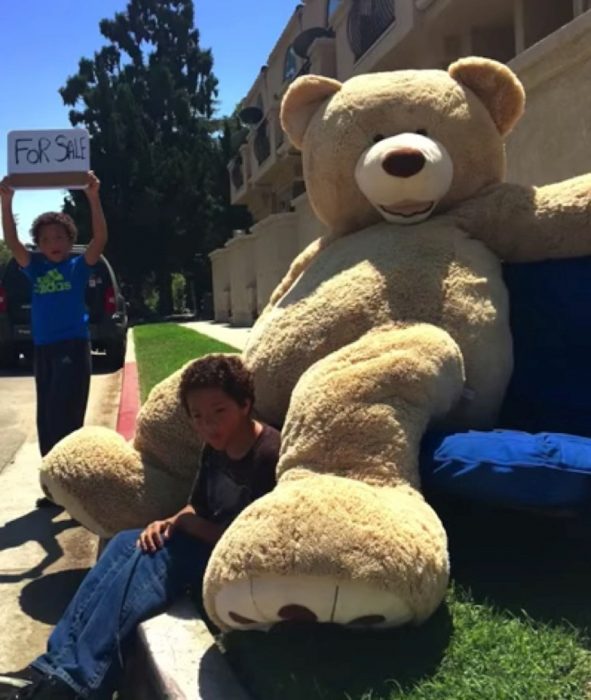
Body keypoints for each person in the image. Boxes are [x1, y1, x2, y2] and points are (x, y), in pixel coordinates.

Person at [0, 354, 281, 700]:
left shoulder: (268, 454)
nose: (209, 425)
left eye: (219, 411)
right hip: (201, 540)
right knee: (126, 542)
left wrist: (189, 525)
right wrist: (170, 521)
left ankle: (79, 683)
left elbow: (258, 540)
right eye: (198, 417)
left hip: (231, 562)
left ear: (245, 403)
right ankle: (50, 666)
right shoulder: (214, 448)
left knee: (156, 560)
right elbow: (198, 505)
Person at [0, 173, 107, 507]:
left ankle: (73, 486)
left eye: (59, 236)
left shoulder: (78, 266)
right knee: (47, 418)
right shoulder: (34, 267)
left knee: (68, 416)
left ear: (68, 238)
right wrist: (6, 201)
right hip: (43, 351)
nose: (53, 242)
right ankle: (53, 486)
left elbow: (100, 239)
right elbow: (13, 242)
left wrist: (93, 197)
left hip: (73, 349)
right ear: (40, 244)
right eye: (46, 238)